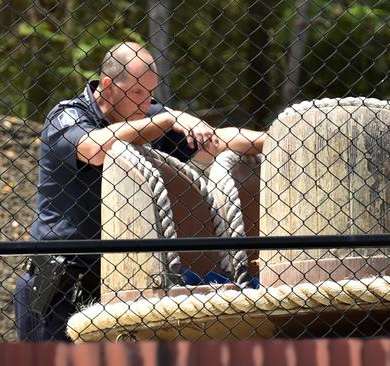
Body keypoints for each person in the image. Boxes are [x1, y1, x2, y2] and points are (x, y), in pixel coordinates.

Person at [13, 42, 266, 341]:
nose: (146, 102)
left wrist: (282, 135)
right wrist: (169, 119)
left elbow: (217, 143)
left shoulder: (145, 117)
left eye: (150, 92)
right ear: (108, 86)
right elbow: (95, 149)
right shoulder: (68, 115)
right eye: (136, 93)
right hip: (58, 283)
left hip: (116, 285)